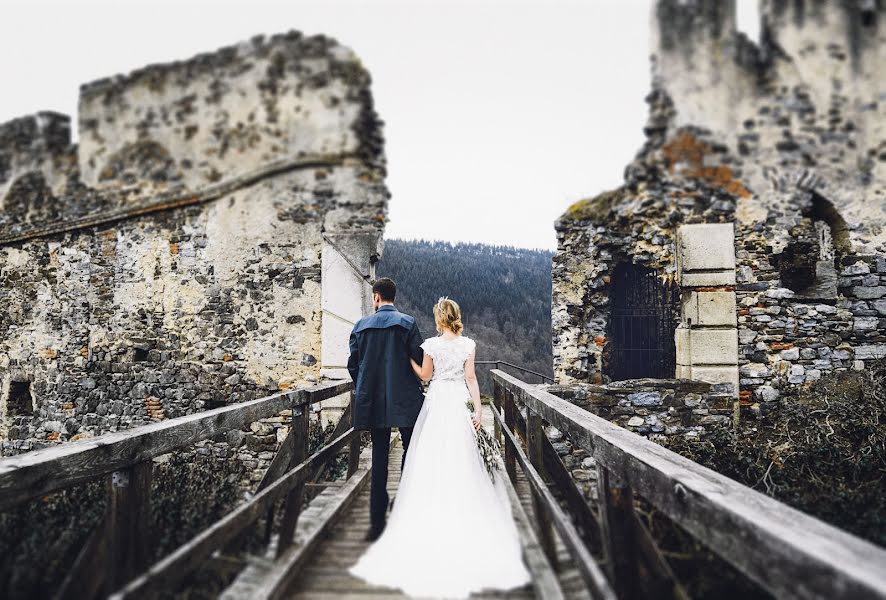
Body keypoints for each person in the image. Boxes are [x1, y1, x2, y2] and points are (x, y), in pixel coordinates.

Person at [349, 297, 531, 599]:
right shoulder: (468, 344)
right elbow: (472, 378)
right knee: (461, 458)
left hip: (437, 402)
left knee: (430, 457)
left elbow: (425, 376)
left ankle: (419, 515)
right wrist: (478, 410)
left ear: (439, 318)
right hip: (459, 400)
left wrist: (406, 360)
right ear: (457, 317)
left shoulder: (431, 345)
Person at [347, 277, 426, 542]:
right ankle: (403, 506)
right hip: (405, 399)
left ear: (376, 297)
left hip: (373, 401)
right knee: (410, 450)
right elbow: (418, 361)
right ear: (393, 296)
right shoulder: (408, 323)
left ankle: (377, 523)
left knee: (379, 457)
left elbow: (353, 365)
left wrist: (364, 385)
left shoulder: (360, 327)